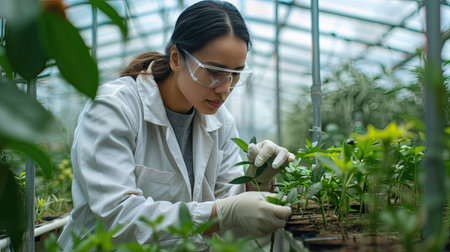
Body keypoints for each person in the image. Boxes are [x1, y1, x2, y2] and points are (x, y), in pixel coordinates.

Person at [57, 0, 295, 249]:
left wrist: (254, 183)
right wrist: (220, 213)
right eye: (214, 71)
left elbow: (229, 214)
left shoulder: (220, 121)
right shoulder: (114, 108)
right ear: (175, 58)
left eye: (235, 74)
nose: (225, 89)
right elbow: (117, 218)